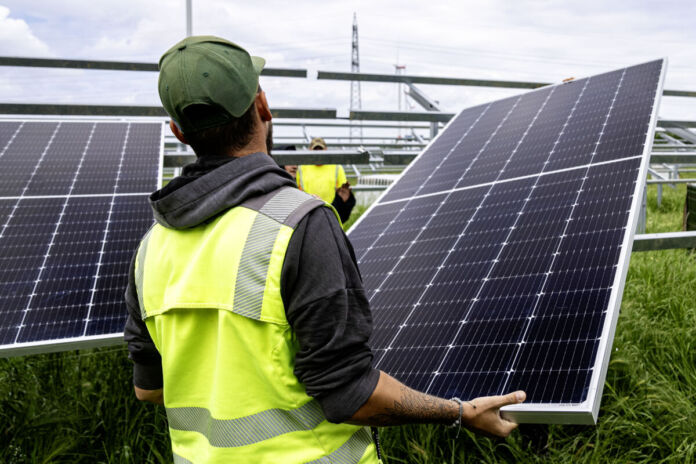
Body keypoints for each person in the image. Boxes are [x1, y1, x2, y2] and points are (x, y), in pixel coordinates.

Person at [124, 35, 525, 464]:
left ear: (178, 132)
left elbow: (150, 388)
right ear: (263, 106)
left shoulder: (151, 250)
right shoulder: (298, 225)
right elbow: (349, 394)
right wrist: (459, 412)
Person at [297, 137, 355, 223]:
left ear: (326, 150)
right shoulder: (302, 168)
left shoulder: (336, 167)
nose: (318, 152)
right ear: (310, 150)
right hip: (309, 213)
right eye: (315, 149)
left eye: (320, 149)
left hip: (331, 213)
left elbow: (343, 195)